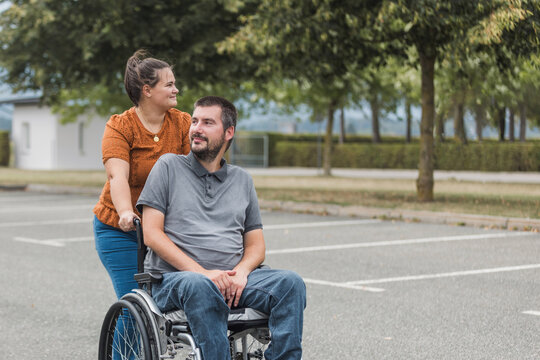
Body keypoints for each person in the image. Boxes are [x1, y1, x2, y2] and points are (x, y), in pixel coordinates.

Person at [136, 96, 306, 360]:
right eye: (194, 121)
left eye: (207, 122)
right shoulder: (168, 167)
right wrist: (204, 274)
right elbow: (152, 234)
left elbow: (256, 246)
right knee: (200, 286)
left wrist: (240, 273)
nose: (196, 128)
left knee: (290, 283)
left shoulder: (242, 180)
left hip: (232, 280)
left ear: (228, 132)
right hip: (177, 280)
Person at [93, 50, 191, 300]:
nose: (176, 89)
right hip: (122, 231)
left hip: (167, 230)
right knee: (135, 304)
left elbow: (196, 173)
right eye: (169, 84)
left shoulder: (183, 124)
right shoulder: (120, 126)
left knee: (177, 301)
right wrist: (126, 211)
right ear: (147, 90)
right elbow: (117, 177)